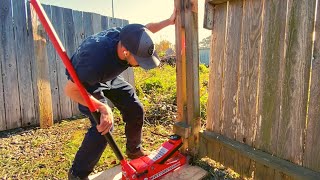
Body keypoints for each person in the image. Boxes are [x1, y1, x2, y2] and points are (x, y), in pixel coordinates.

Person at [64, 9, 176, 180]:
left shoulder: (131, 36)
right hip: (85, 83)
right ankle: (77, 174)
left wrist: (169, 21)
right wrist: (102, 107)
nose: (141, 64)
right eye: (139, 60)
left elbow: (147, 29)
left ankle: (134, 151)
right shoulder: (93, 63)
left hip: (107, 73)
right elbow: (70, 90)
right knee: (103, 127)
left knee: (134, 107)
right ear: (126, 52)